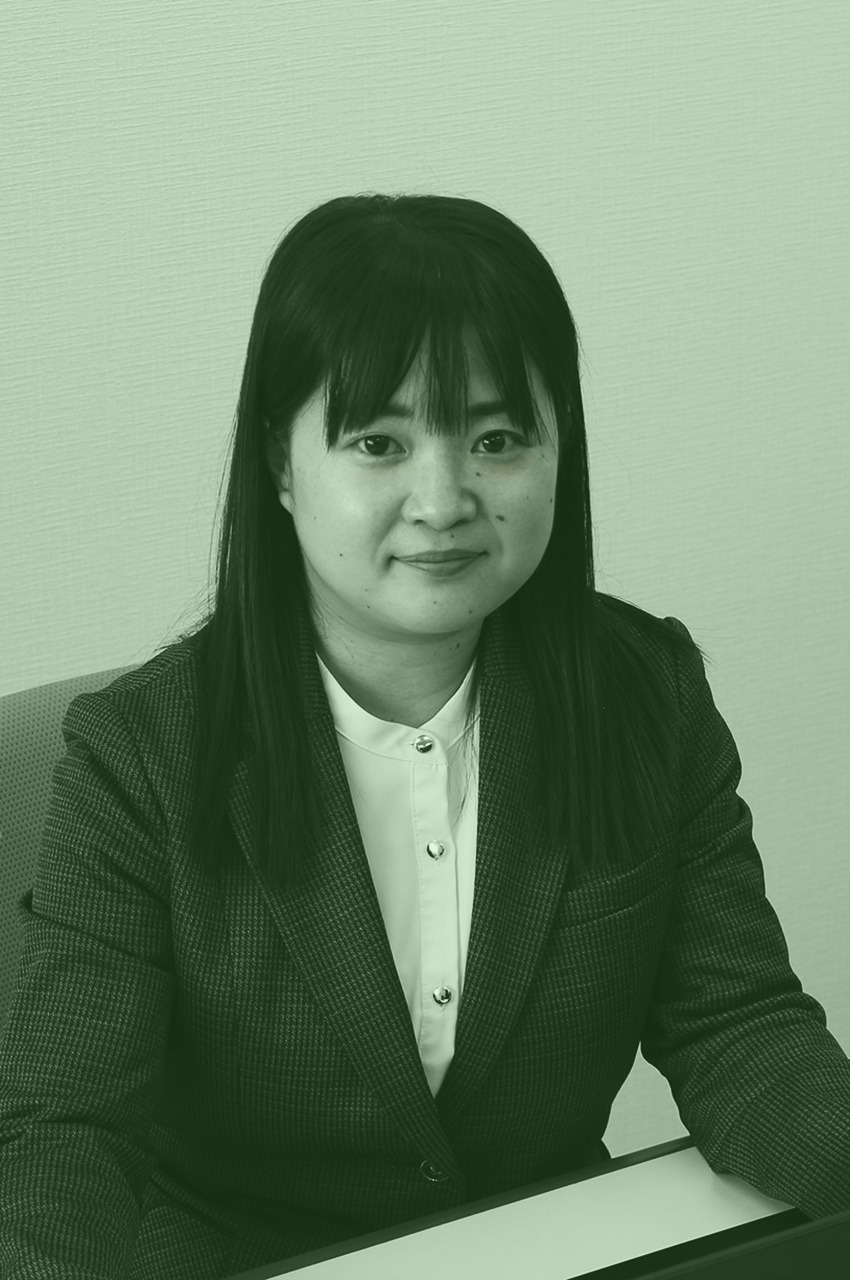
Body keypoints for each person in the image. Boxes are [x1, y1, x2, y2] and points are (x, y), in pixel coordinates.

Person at [1, 194, 848, 1280]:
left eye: (496, 439)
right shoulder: (140, 756)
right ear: (280, 464)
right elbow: (66, 1133)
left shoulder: (648, 694)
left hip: (547, 1251)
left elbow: (742, 1031)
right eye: (378, 442)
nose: (443, 500)